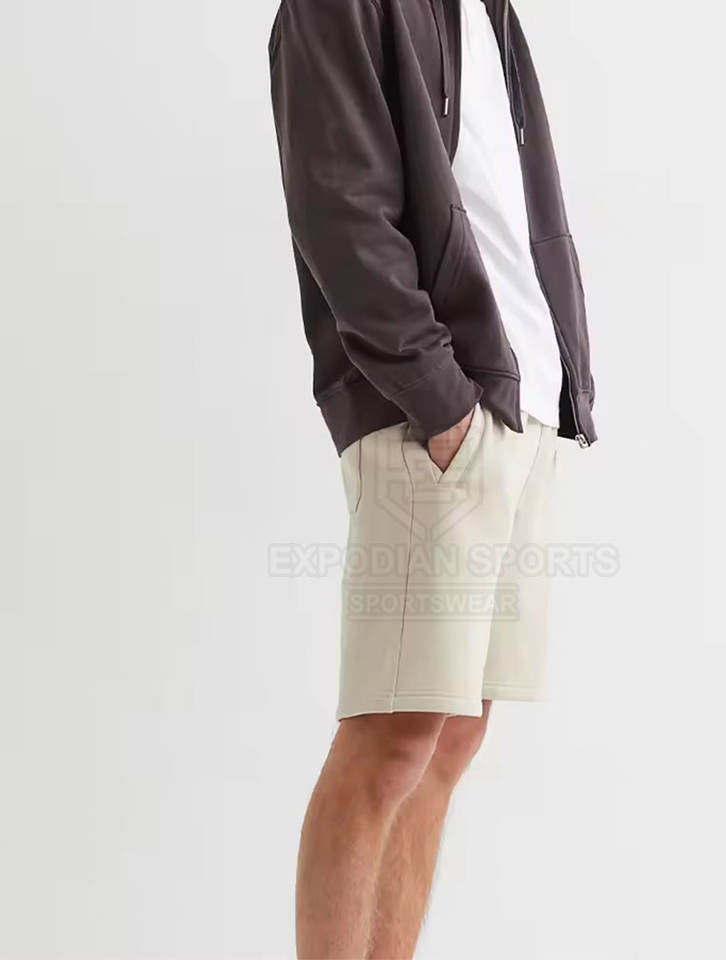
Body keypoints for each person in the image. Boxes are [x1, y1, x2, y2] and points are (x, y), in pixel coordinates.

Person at [269, 0, 596, 955]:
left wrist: (558, 381)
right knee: (394, 733)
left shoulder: (489, 13)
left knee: (451, 738)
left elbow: (511, 205)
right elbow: (340, 211)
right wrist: (439, 400)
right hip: (439, 417)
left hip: (523, 404)